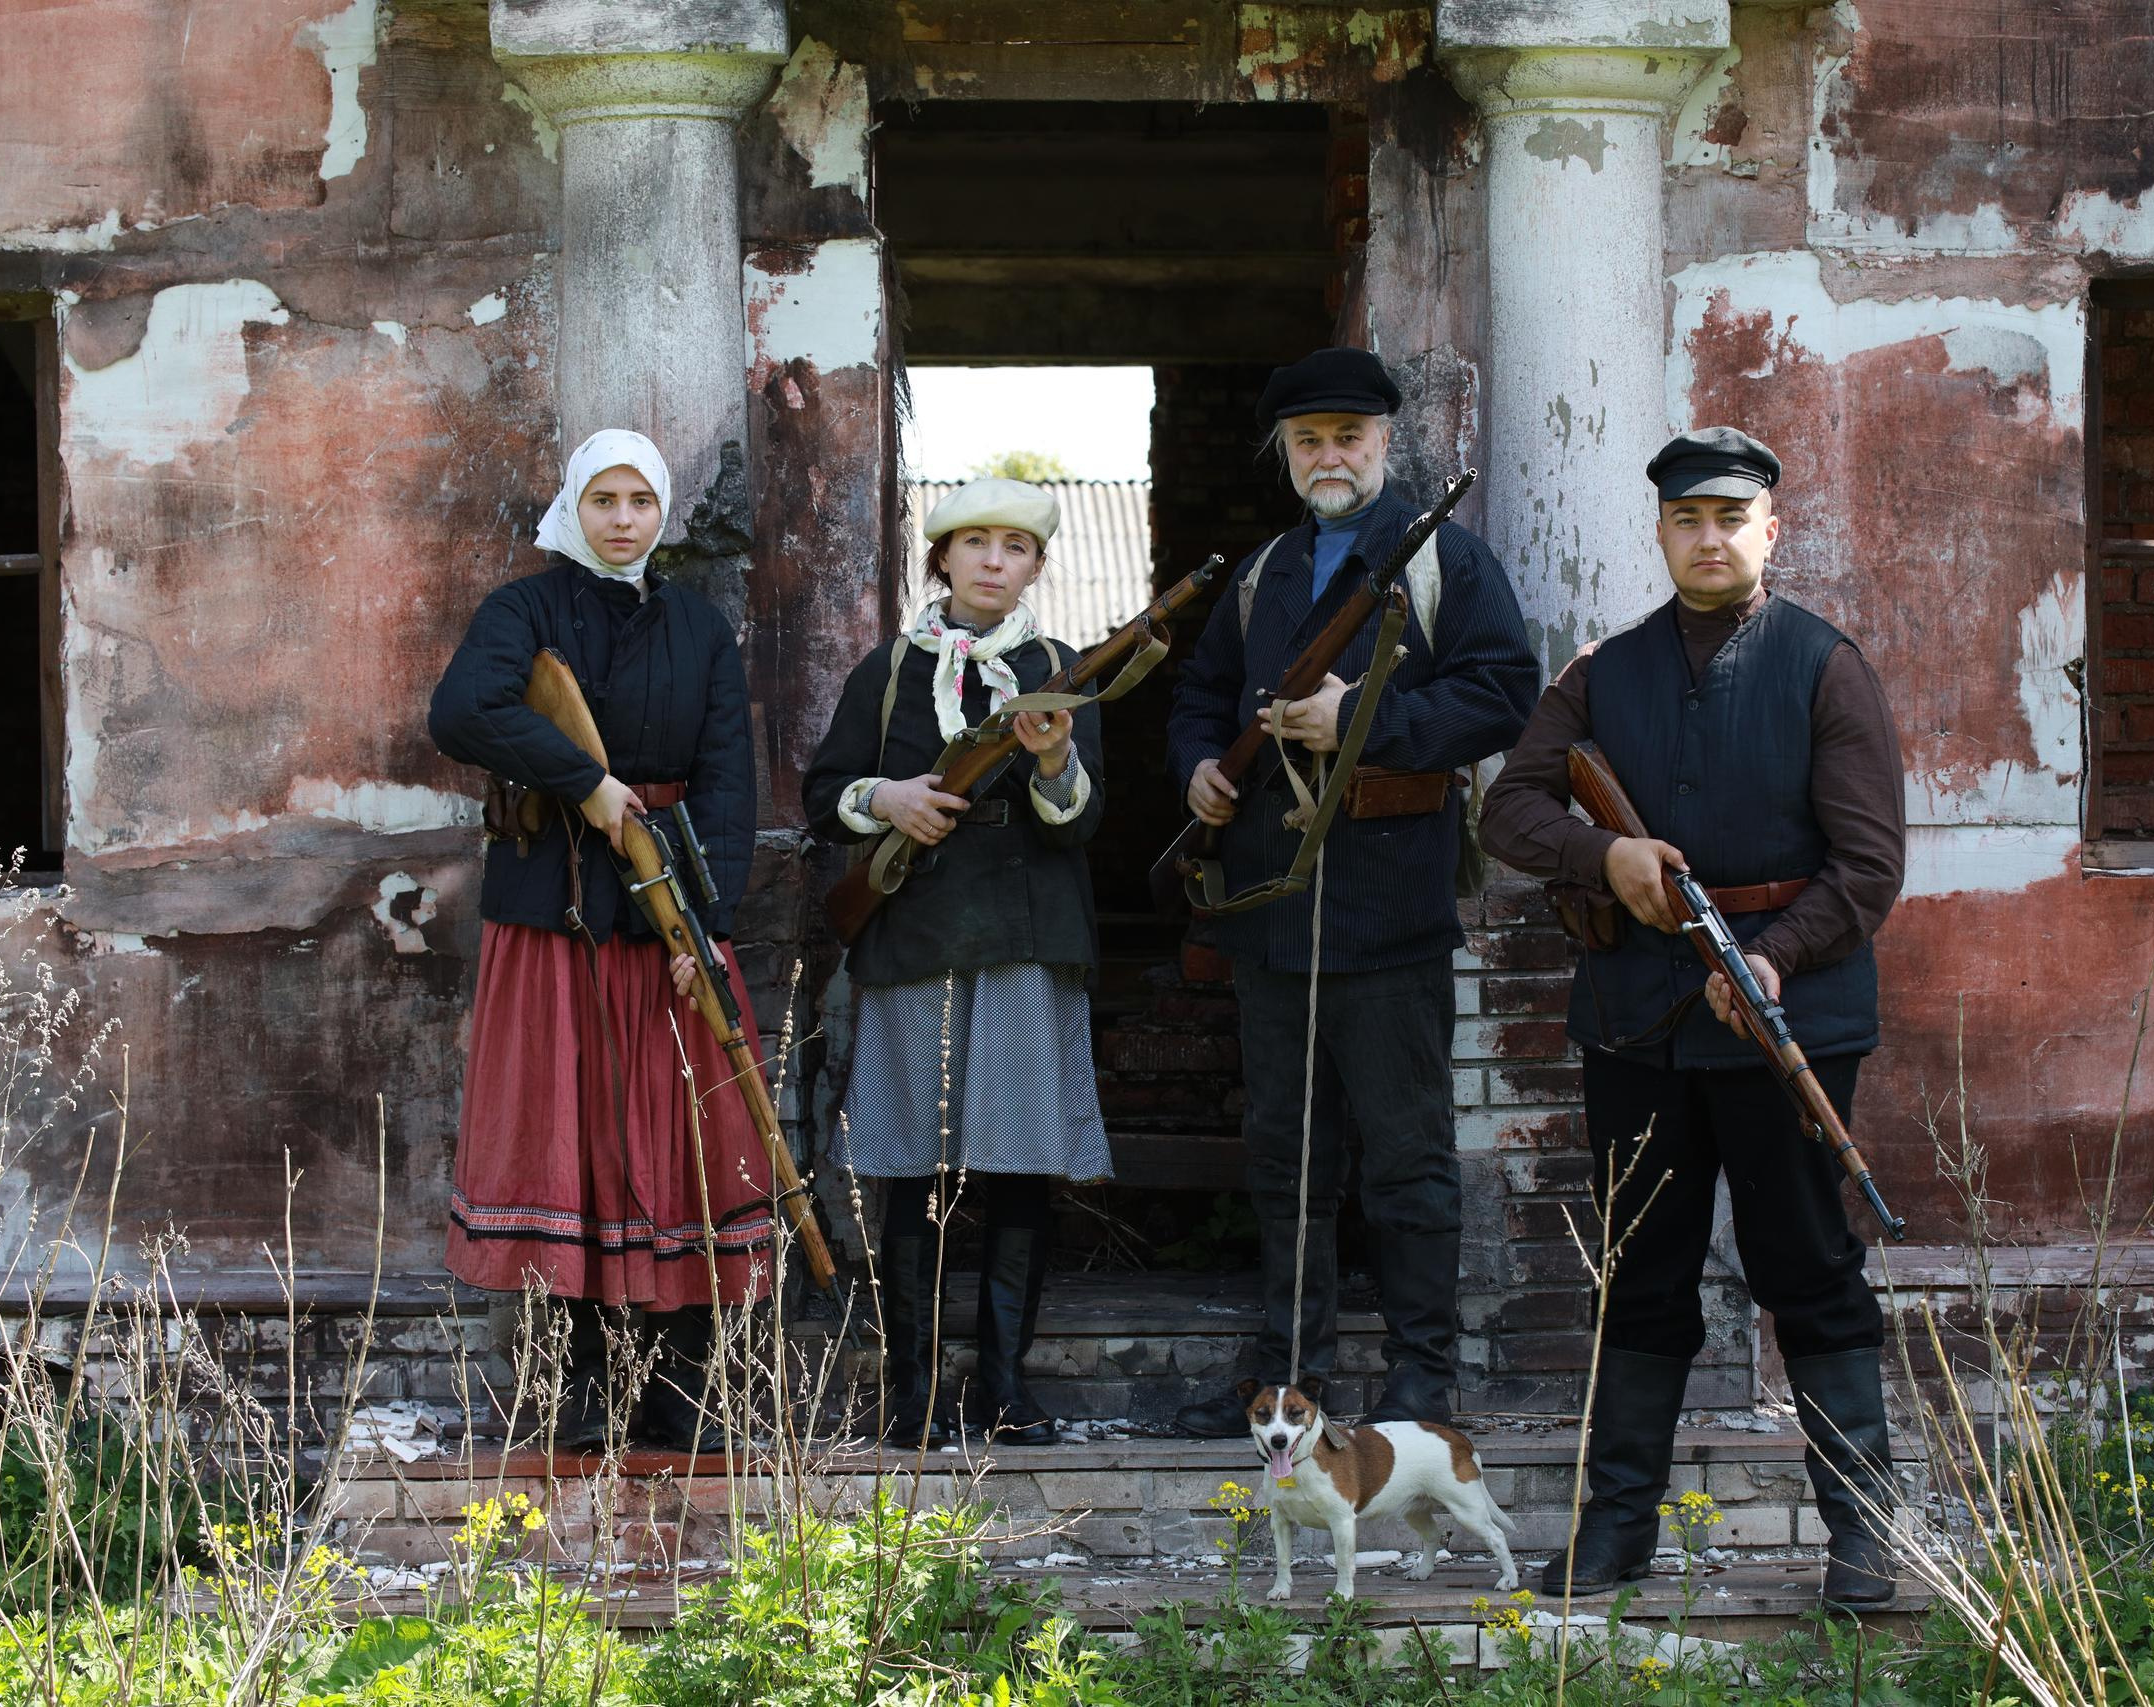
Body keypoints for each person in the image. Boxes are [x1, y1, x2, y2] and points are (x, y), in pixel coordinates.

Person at [1477, 427, 1908, 1609]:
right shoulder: (1597, 673)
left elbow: (1869, 868)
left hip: (1790, 1017)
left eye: (1731, 517)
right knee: (1640, 1275)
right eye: (1686, 519)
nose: (1708, 538)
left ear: (1770, 529)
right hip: (1635, 1018)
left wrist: (1771, 957)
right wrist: (1603, 852)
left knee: (1810, 1269)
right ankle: (1614, 1534)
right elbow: (1508, 812)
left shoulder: (1827, 666)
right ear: (1660, 531)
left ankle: (1864, 1539)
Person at [1165, 347, 1539, 1438]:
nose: (1329, 455)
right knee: (1286, 1157)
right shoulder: (1261, 573)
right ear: (1284, 452)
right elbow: (1198, 696)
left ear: (1385, 441)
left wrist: (1361, 722)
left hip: (1391, 904)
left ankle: (1423, 1379)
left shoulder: (1445, 564)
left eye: (1349, 436)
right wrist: (1194, 763)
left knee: (1409, 1157)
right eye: (1308, 440)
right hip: (1270, 907)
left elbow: (1503, 694)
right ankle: (1289, 1374)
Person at [428, 428, 770, 1447]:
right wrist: (586, 782)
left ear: (661, 512)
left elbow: (727, 780)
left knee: (689, 1141)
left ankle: (676, 1393)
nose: (623, 519)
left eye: (640, 501)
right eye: (604, 500)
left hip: (666, 910)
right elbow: (462, 712)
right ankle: (576, 1393)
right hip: (553, 912)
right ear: (574, 506)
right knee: (565, 1139)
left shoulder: (700, 629)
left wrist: (703, 923)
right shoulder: (523, 610)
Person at [801, 477, 1109, 1450]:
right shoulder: (887, 671)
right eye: (973, 542)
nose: (990, 560)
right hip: (918, 936)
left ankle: (1007, 1393)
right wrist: (887, 798)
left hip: (1025, 936)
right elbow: (823, 794)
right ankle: (916, 1396)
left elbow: (1085, 820)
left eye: (1012, 546)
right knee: (913, 1167)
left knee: (1019, 1168)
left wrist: (1054, 764)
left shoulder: (1060, 671)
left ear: (1033, 566)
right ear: (941, 557)